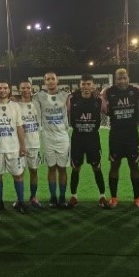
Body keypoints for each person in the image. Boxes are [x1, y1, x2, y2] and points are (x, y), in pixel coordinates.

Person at [100, 68, 139, 209]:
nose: (122, 81)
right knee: (114, 166)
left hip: (132, 135)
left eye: (124, 78)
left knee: (134, 166)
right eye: (119, 78)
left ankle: (137, 198)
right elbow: (102, 106)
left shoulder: (137, 90)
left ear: (128, 78)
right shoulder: (108, 92)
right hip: (116, 136)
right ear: (115, 79)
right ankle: (114, 197)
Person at [0, 80, 27, 213]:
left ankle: (20, 202)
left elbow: (19, 127)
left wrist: (23, 145)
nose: (2, 90)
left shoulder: (15, 106)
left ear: (9, 90)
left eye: (5, 88)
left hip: (13, 147)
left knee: (18, 175)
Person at [66, 74, 108, 208]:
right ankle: (73, 196)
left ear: (93, 85)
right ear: (79, 85)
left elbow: (108, 111)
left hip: (93, 139)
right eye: (83, 84)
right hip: (77, 138)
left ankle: (102, 196)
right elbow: (65, 111)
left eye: (89, 84)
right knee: (75, 168)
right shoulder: (72, 99)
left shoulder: (99, 100)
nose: (86, 87)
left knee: (97, 167)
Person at [33, 71, 70, 208]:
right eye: (47, 79)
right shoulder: (39, 96)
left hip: (63, 136)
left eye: (52, 79)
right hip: (48, 137)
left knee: (62, 169)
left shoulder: (65, 95)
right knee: (51, 168)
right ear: (44, 82)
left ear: (57, 80)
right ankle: (53, 197)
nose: (50, 81)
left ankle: (62, 197)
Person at [18, 79, 42, 208]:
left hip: (34, 144)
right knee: (19, 173)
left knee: (34, 172)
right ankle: (20, 198)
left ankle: (33, 197)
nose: (25, 90)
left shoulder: (37, 104)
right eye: (23, 88)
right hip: (20, 146)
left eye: (28, 88)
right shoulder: (15, 105)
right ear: (19, 89)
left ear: (31, 89)